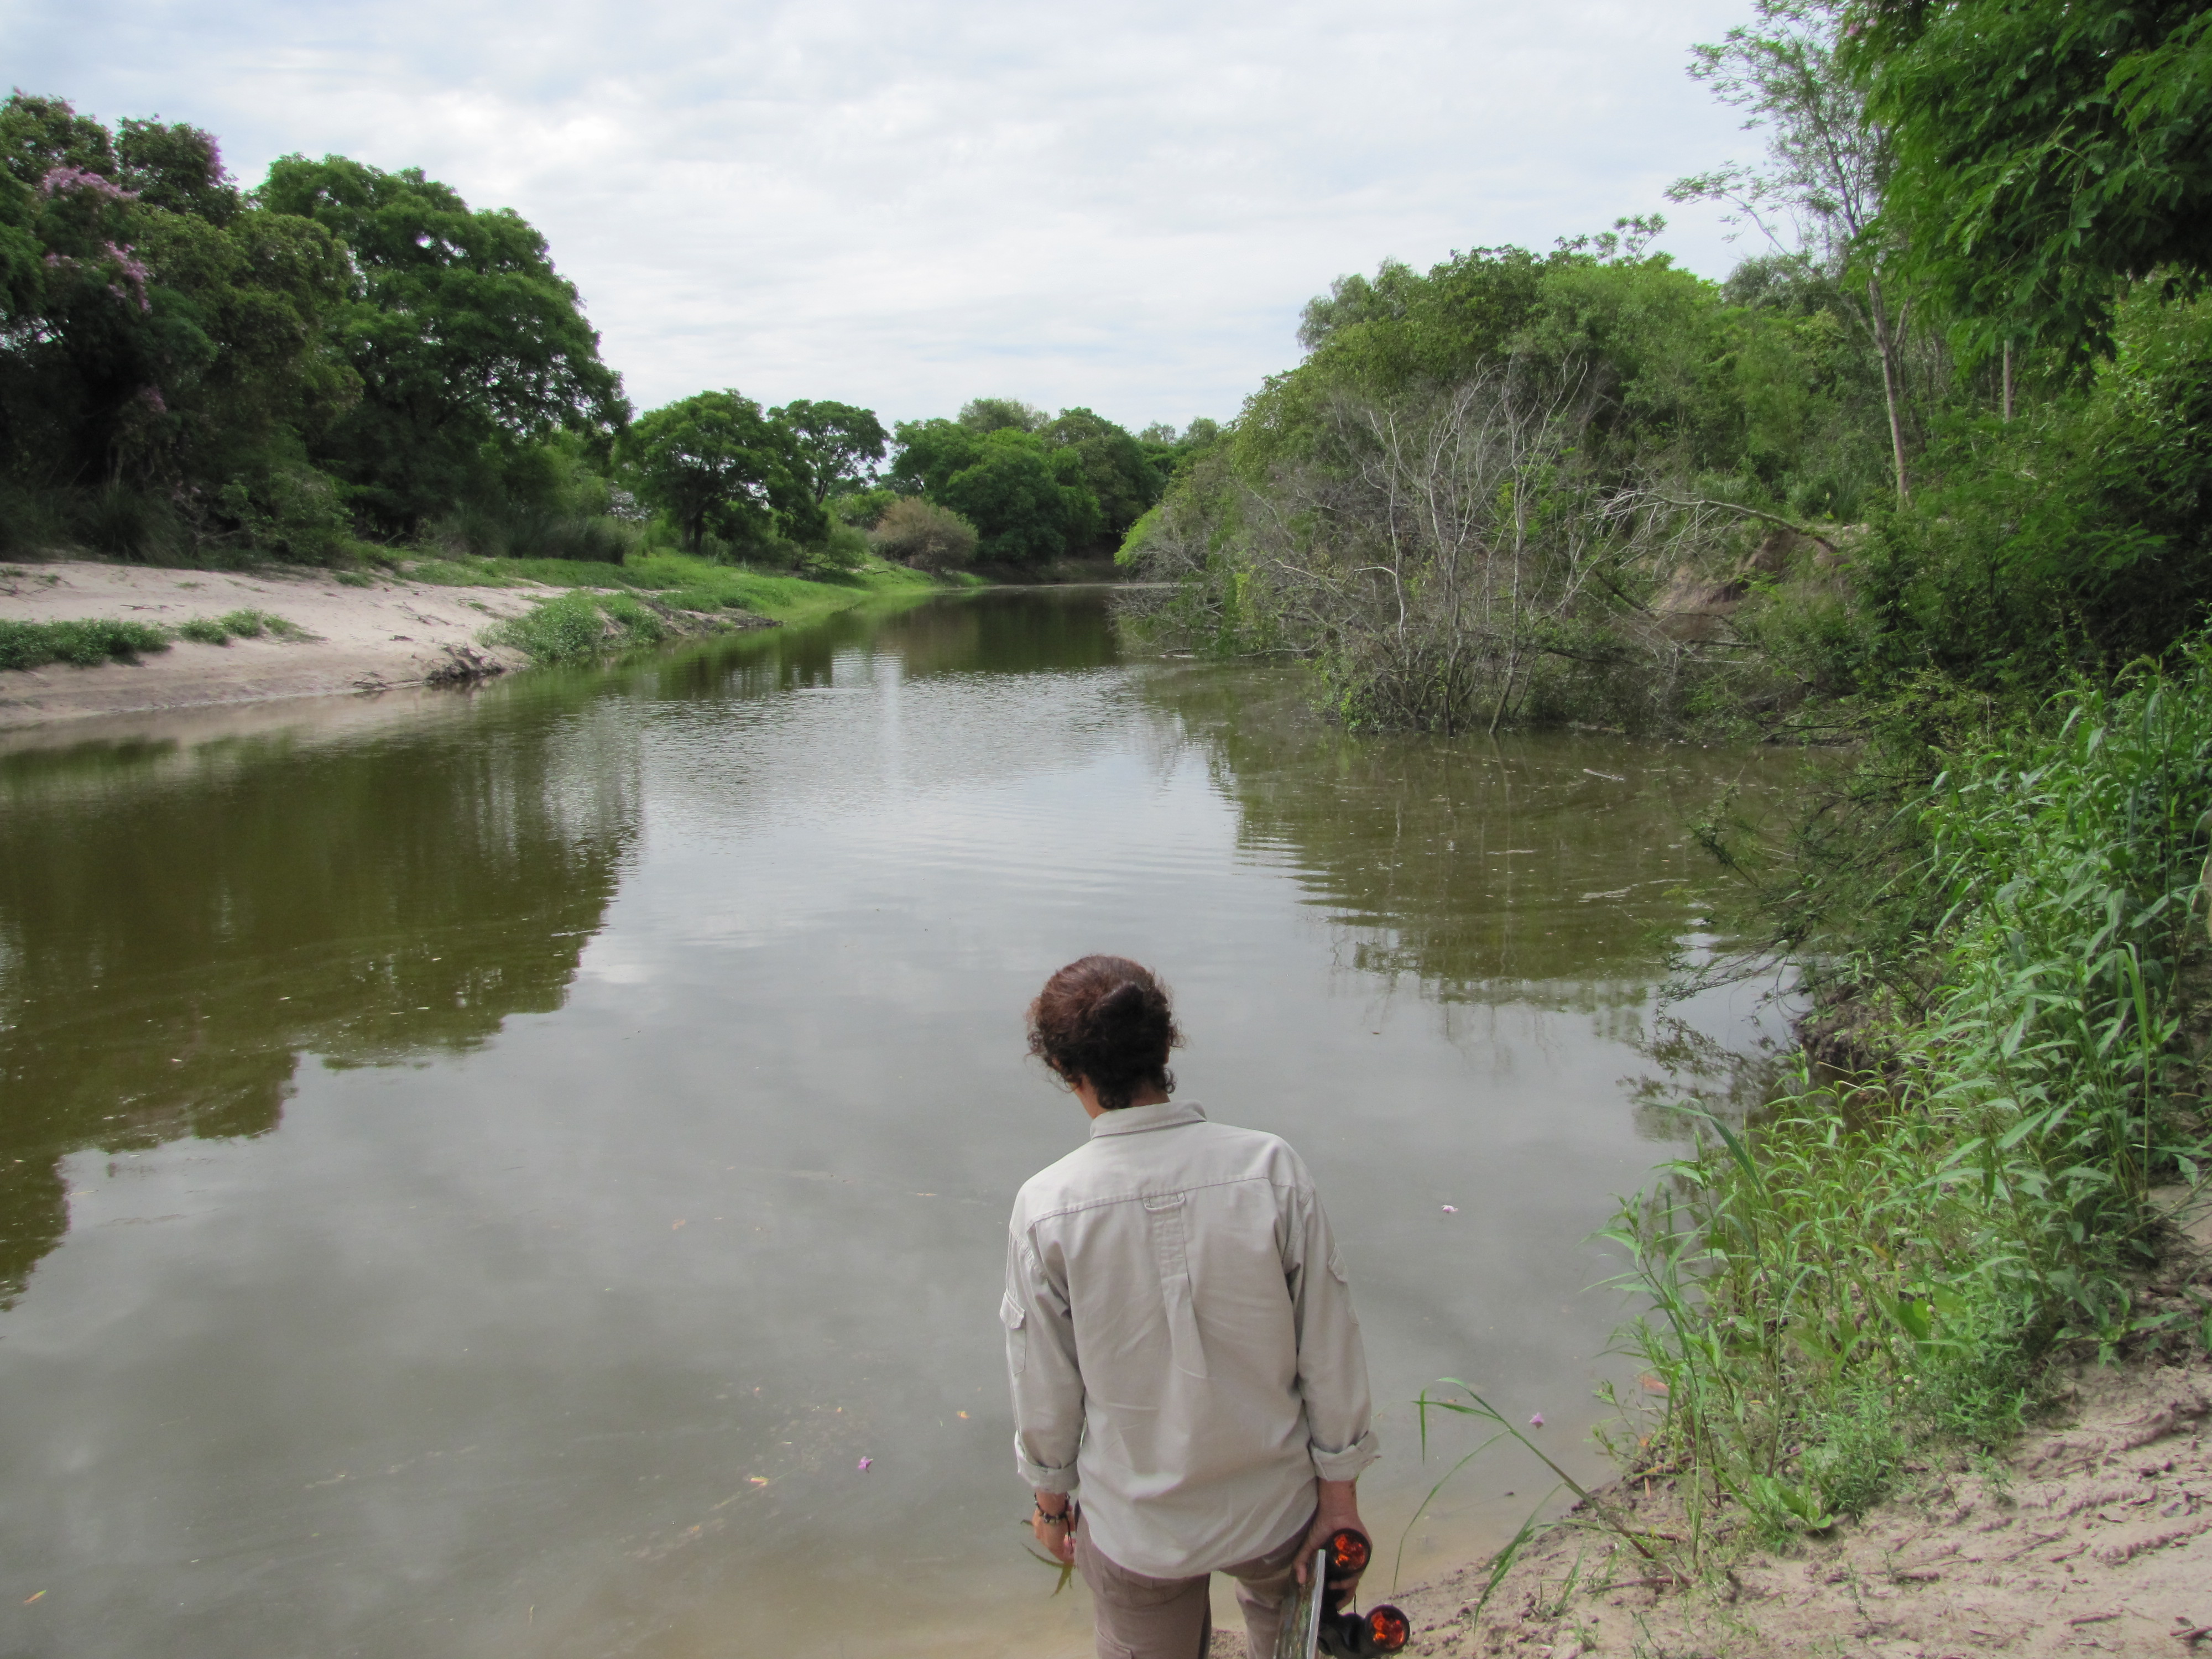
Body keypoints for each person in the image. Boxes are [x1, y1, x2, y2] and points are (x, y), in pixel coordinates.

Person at [1002, 954, 1379, 1659]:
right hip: (1279, 1506)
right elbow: (1329, 1347)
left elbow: (1045, 1387)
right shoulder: (1270, 1169)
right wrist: (1340, 1496)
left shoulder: (1047, 1208)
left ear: (1062, 1069)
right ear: (1166, 1044)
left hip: (1137, 1524)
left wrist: (1050, 1504)